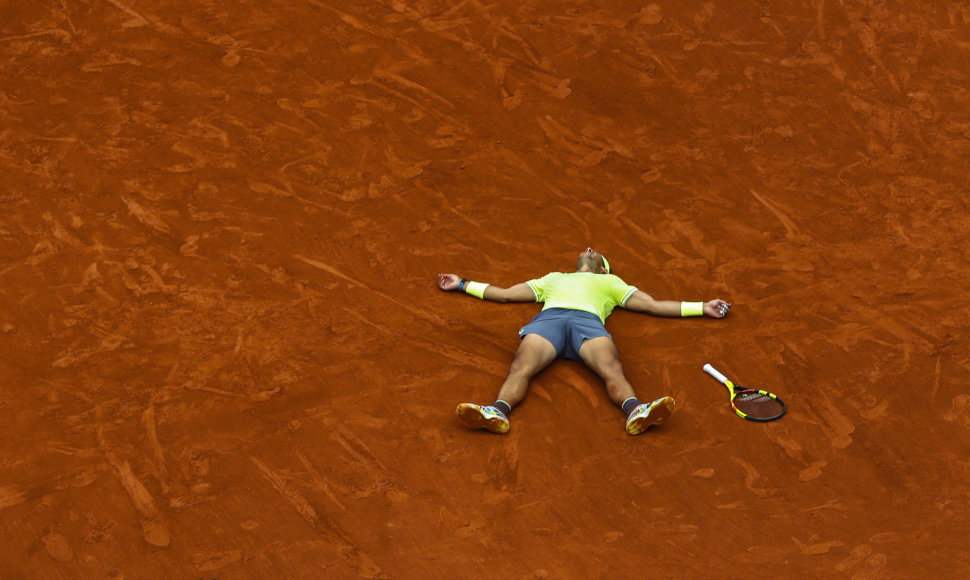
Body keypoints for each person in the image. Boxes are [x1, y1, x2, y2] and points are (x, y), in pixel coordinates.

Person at [437, 248, 731, 435]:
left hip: (587, 323)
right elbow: (504, 294)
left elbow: (652, 305)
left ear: (604, 269)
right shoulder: (554, 279)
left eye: (597, 254)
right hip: (549, 320)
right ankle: (497, 411)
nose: (589, 249)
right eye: (587, 250)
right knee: (520, 367)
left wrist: (701, 306)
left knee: (612, 369)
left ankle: (635, 411)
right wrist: (462, 283)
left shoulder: (612, 283)